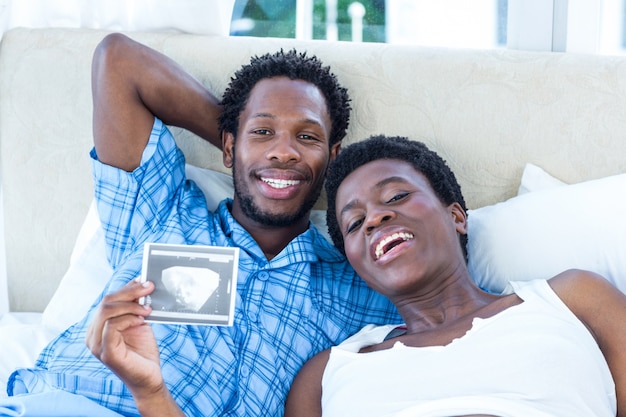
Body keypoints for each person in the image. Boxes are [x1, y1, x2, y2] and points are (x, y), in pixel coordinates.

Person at [3, 34, 399, 416]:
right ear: (227, 146)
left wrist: (270, 150)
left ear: (332, 155)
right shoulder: (163, 210)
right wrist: (249, 149)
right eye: (263, 132)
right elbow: (119, 60)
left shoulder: (360, 286)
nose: (283, 150)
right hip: (65, 403)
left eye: (307, 136)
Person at [284, 135, 626, 417]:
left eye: (397, 196)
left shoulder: (574, 299)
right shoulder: (324, 376)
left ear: (457, 217)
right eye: (355, 224)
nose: (374, 218)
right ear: (357, 263)